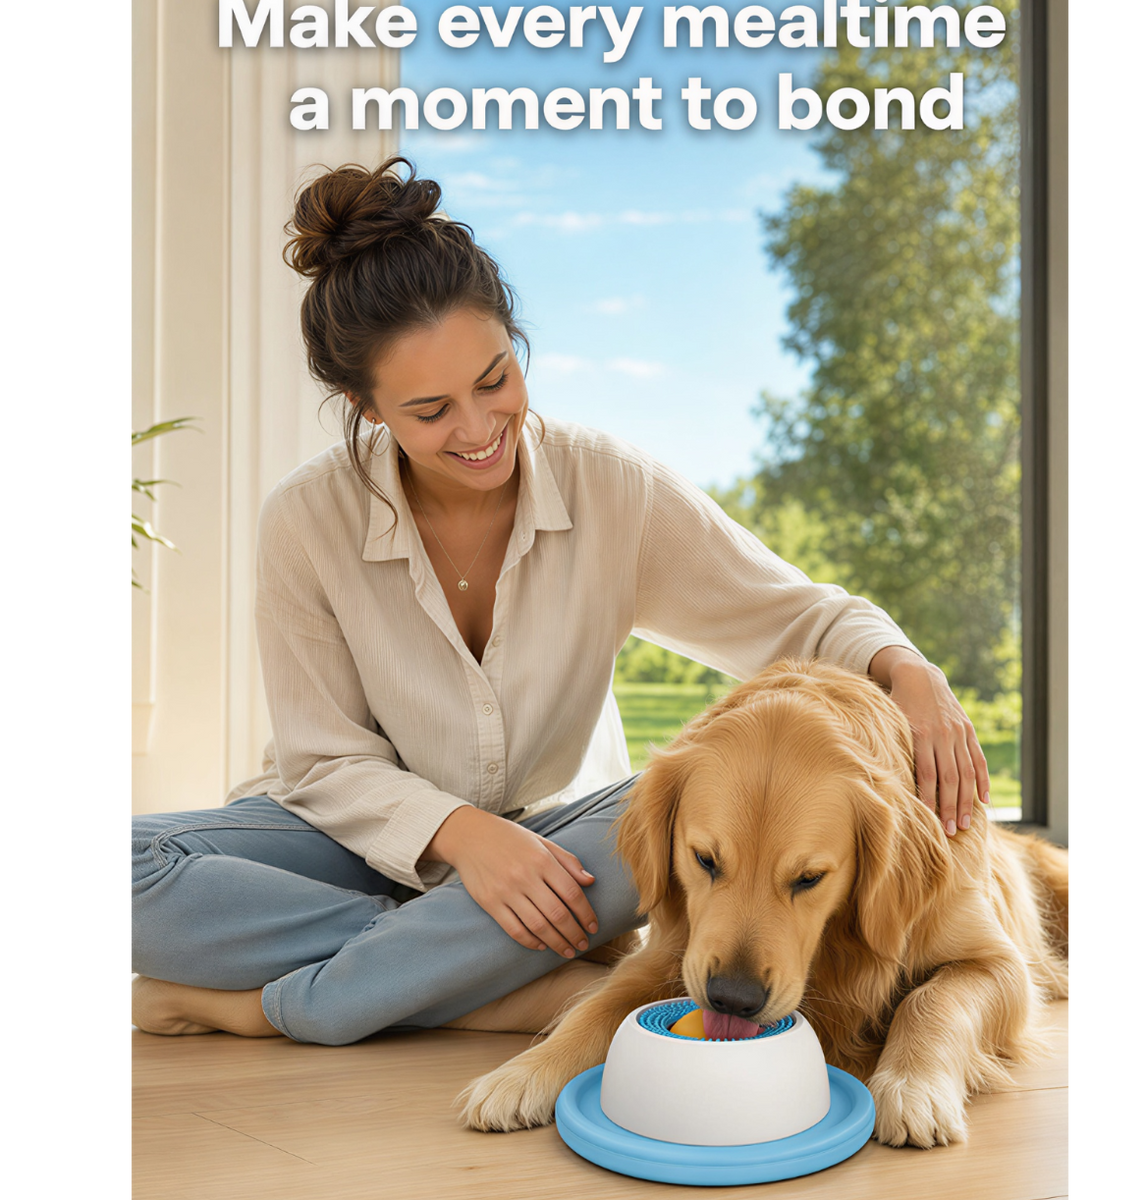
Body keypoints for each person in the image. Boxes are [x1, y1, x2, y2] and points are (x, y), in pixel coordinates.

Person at [128, 158, 990, 1046]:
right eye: (431, 410)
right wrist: (464, 838)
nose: (478, 429)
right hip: (348, 841)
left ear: (514, 342)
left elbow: (796, 619)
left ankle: (288, 1001)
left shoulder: (612, 487)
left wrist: (909, 672)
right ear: (366, 406)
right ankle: (496, 981)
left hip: (560, 850)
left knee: (663, 807)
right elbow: (323, 763)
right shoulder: (305, 519)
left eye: (494, 379)